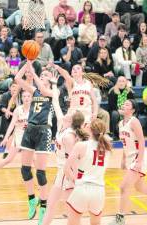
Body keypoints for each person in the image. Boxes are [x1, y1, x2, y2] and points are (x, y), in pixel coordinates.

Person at [108, 99, 147, 225]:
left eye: (127, 104)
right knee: (140, 187)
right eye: (123, 103)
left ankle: (120, 218)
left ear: (132, 110)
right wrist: (123, 159)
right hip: (131, 158)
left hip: (139, 157)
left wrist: (139, 161)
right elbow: (125, 144)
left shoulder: (134, 121)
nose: (123, 105)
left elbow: (142, 141)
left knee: (123, 187)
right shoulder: (121, 124)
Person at [42, 76, 88, 225]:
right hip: (61, 172)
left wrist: (75, 180)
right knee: (52, 204)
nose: (69, 109)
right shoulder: (62, 123)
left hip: (67, 173)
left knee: (70, 210)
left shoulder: (69, 136)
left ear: (72, 119)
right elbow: (55, 101)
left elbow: (73, 161)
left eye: (72, 111)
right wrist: (54, 84)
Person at [14, 62, 54, 225]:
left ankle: (44, 206)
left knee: (40, 173)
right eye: (41, 75)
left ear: (50, 79)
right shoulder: (33, 90)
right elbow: (17, 78)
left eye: (45, 75)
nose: (42, 76)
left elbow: (44, 90)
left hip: (44, 131)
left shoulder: (52, 91)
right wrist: (27, 64)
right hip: (30, 130)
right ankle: (32, 199)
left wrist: (35, 74)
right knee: (24, 170)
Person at [65, 118, 112, 225]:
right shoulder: (107, 148)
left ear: (90, 130)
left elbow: (66, 168)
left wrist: (74, 180)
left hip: (82, 188)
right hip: (99, 191)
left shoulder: (81, 145)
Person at [0, 90, 32, 185]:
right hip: (18, 138)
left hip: (29, 139)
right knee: (8, 159)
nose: (26, 98)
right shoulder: (18, 110)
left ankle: (30, 179)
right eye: (24, 96)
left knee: (30, 160)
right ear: (21, 98)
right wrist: (5, 138)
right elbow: (12, 125)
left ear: (31, 98)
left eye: (28, 96)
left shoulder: (34, 110)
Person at [107, 76, 134, 140]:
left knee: (133, 113)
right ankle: (115, 135)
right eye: (119, 81)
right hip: (116, 110)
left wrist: (126, 111)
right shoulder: (112, 91)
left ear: (126, 83)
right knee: (115, 114)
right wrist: (118, 110)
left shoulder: (129, 92)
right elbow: (111, 105)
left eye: (123, 81)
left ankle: (130, 134)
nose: (121, 83)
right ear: (117, 82)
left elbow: (133, 104)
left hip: (127, 111)